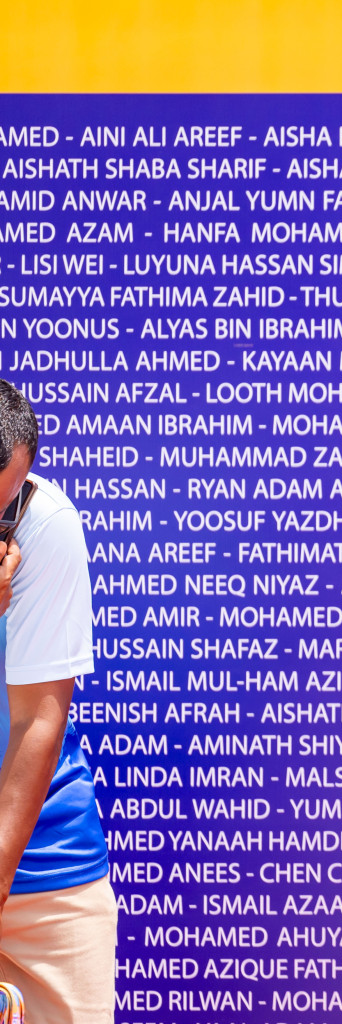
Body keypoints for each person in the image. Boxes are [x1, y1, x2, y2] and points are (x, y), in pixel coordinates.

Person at [0, 381, 113, 1023]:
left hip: (46, 875)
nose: (5, 520)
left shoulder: (43, 522)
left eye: (10, 499)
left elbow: (36, 721)